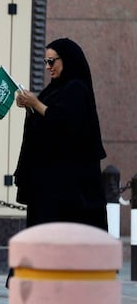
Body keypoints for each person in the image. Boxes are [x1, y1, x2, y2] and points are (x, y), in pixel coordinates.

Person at [6, 38, 108, 287]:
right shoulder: (55, 89)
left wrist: (36, 104)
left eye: (52, 61)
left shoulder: (76, 89)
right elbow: (46, 126)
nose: (48, 66)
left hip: (69, 186)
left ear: (67, 60)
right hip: (49, 182)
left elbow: (66, 124)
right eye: (45, 61)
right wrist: (30, 108)